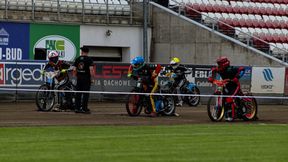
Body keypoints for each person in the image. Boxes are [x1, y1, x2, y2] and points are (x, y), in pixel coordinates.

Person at [208, 56, 245, 121]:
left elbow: (242, 69)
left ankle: (235, 113)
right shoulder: (219, 69)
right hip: (225, 85)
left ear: (224, 64)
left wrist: (236, 78)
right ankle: (226, 113)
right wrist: (210, 78)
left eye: (219, 64)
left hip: (234, 85)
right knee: (225, 99)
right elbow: (212, 71)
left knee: (230, 98)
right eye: (218, 64)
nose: (218, 65)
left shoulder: (231, 69)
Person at [73, 46, 95, 114]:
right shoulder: (89, 59)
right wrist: (92, 78)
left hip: (79, 78)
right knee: (85, 94)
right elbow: (91, 69)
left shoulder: (78, 59)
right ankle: (84, 109)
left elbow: (74, 69)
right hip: (86, 78)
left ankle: (77, 108)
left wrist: (76, 76)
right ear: (87, 52)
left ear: (82, 51)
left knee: (78, 93)